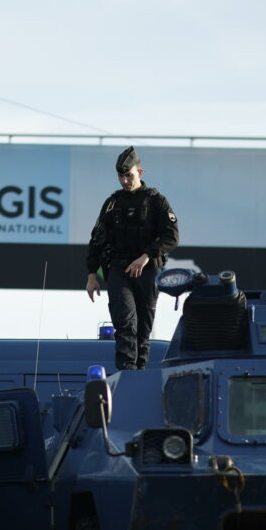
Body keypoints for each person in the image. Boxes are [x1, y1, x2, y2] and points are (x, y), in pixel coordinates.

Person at [85, 146, 179, 371]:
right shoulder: (112, 204)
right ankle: (127, 372)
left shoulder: (157, 201)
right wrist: (91, 274)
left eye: (129, 175)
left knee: (143, 329)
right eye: (121, 176)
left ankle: (140, 373)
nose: (125, 181)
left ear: (140, 173)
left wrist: (146, 256)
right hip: (119, 268)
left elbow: (172, 236)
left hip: (147, 270)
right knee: (125, 324)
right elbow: (97, 239)